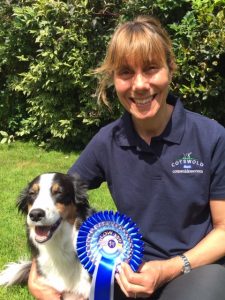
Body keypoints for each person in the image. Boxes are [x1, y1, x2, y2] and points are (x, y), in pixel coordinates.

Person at [28, 16, 225, 299]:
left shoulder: (212, 137)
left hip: (193, 269)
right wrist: (37, 272)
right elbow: (58, 202)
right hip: (122, 271)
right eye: (125, 73)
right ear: (113, 80)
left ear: (170, 68)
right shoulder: (107, 140)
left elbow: (223, 230)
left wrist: (168, 268)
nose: (139, 85)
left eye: (151, 69)